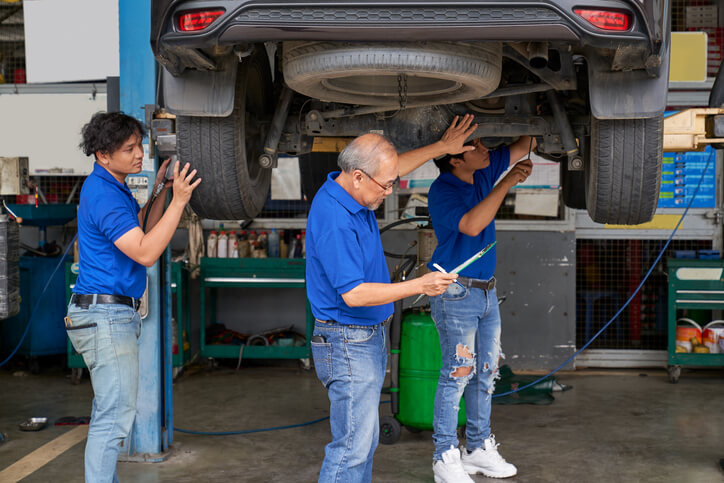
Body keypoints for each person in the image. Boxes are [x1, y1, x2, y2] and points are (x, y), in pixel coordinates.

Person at [306, 115, 478, 483]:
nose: (390, 190)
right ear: (358, 177)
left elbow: (392, 167)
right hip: (348, 340)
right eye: (386, 185)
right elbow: (353, 294)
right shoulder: (336, 218)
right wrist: (421, 284)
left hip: (363, 337)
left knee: (363, 443)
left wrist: (442, 148)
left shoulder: (350, 190)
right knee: (352, 447)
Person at [65, 111, 201, 483]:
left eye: (139, 144)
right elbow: (144, 251)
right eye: (129, 149)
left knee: (109, 413)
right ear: (103, 154)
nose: (139, 153)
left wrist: (160, 191)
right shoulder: (104, 194)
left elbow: (138, 225)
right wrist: (178, 202)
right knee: (113, 419)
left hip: (106, 315)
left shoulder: (111, 186)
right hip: (106, 318)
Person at [427, 134, 535, 482]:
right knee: (457, 375)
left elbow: (523, 145)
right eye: (474, 145)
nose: (485, 147)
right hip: (455, 292)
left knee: (486, 373)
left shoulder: (481, 172)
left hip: (486, 293)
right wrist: (507, 182)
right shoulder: (443, 189)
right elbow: (472, 224)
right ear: (455, 158)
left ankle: (477, 449)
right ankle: (444, 456)